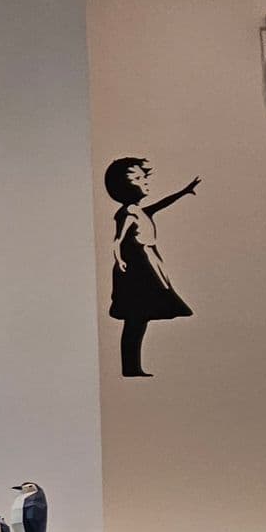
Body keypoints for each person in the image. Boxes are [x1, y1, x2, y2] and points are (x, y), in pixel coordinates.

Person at [105, 157, 199, 378]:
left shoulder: (141, 211)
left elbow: (162, 203)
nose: (145, 182)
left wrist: (184, 191)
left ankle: (132, 367)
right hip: (136, 270)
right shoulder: (127, 213)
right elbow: (117, 240)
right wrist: (119, 260)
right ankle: (130, 368)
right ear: (125, 186)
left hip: (147, 264)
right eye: (138, 178)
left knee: (140, 319)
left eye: (144, 177)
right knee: (135, 318)